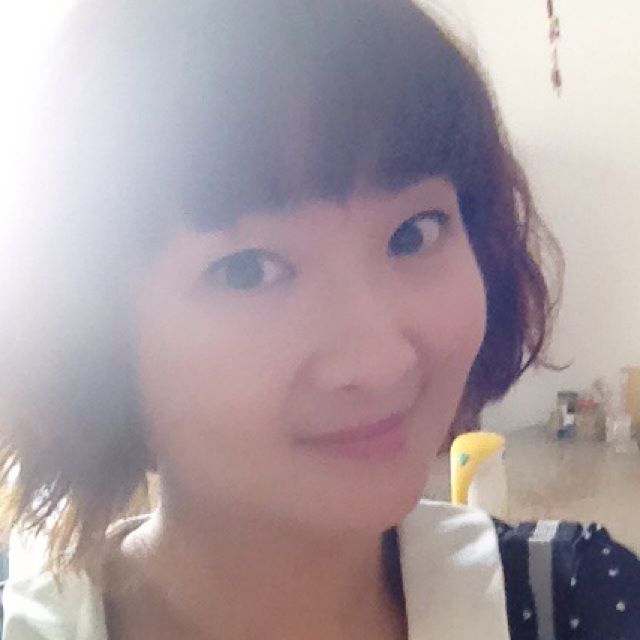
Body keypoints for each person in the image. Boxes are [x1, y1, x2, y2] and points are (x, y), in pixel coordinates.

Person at [1, 1, 638, 639]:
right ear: (92, 333)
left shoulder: (579, 603)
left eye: (414, 233)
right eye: (248, 270)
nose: (380, 361)